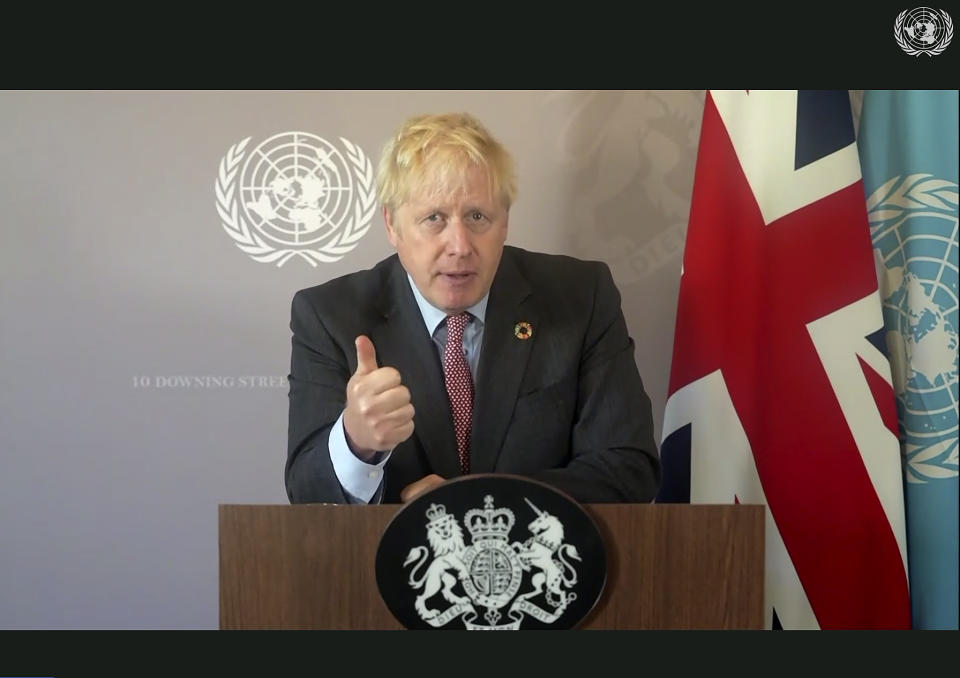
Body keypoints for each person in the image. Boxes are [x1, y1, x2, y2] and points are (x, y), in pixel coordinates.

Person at [285, 112, 660, 505]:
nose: (460, 245)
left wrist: (475, 498)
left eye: (477, 216)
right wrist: (356, 444)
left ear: (505, 222)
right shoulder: (329, 316)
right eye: (434, 218)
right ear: (392, 225)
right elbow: (307, 495)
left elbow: (628, 469)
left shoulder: (581, 297)